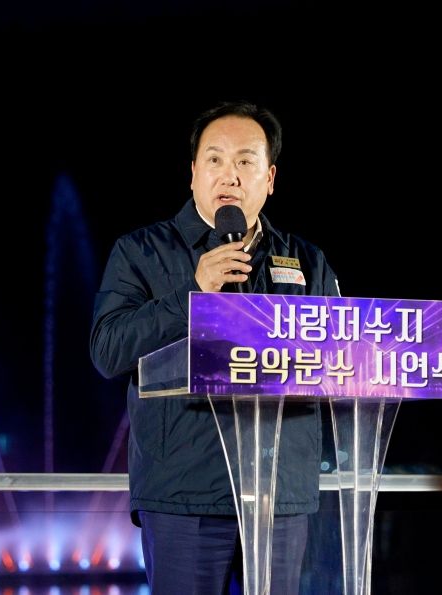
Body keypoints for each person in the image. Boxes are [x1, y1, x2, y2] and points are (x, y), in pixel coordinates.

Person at [89, 100, 340, 594]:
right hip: (184, 497)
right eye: (215, 159)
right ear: (193, 174)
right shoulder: (141, 252)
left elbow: (343, 357)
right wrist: (193, 296)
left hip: (279, 497)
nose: (230, 174)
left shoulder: (307, 261)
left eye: (246, 160)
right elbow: (107, 350)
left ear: (270, 178)